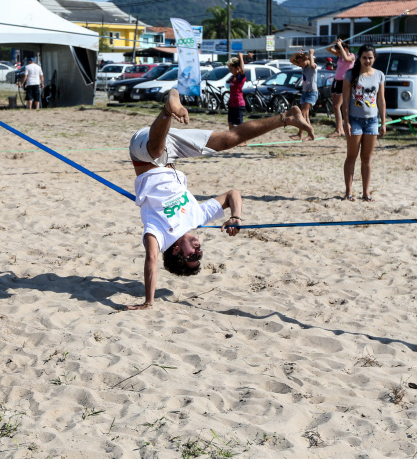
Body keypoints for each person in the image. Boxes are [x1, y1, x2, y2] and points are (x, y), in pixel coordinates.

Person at [125, 90, 314, 310]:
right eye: (200, 254)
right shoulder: (198, 217)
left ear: (176, 252)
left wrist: (149, 301)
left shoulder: (159, 235)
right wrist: (235, 216)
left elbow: (151, 260)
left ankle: (168, 107)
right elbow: (233, 194)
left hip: (143, 151)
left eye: (192, 255)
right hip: (170, 153)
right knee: (228, 140)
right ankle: (287, 117)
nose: (198, 249)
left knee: (155, 150)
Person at [342, 44, 386, 203]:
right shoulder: (350, 75)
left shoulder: (379, 75)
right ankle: (348, 192)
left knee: (367, 158)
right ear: (359, 58)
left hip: (372, 121)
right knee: (351, 157)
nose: (367, 60)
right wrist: (345, 122)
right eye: (364, 57)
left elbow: (381, 100)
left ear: (374, 58)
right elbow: (345, 100)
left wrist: (383, 122)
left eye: (370, 57)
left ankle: (366, 193)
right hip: (355, 120)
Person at [327, 38, 355, 138]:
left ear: (345, 49)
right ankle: (339, 128)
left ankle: (339, 129)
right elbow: (328, 49)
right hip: (336, 81)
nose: (338, 52)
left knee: (337, 106)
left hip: (344, 82)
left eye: (340, 50)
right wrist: (335, 42)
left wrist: (340, 46)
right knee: (334, 105)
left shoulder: (351, 56)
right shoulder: (339, 56)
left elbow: (347, 59)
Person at [288, 48, 318, 141]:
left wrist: (311, 54)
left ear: (306, 59)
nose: (300, 64)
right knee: (305, 116)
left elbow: (312, 64)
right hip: (305, 93)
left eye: (301, 62)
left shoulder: (312, 66)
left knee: (302, 114)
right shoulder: (303, 67)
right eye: (299, 63)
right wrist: (296, 53)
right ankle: (309, 134)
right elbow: (291, 60)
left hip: (312, 93)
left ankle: (303, 134)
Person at [225, 53, 246, 142]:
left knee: (239, 125)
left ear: (237, 68)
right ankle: (232, 140)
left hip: (238, 103)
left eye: (231, 69)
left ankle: (243, 140)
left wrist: (241, 57)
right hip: (232, 103)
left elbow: (242, 70)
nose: (230, 71)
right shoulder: (233, 77)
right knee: (230, 123)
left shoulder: (240, 76)